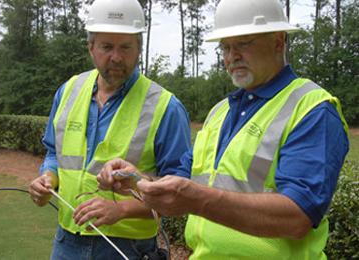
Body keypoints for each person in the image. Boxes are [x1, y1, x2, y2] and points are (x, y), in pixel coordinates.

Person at [98, 0, 349, 259]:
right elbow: (180, 185)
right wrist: (137, 181)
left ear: (278, 42)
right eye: (225, 47)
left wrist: (198, 200)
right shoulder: (220, 112)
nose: (232, 56)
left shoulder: (312, 108)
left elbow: (298, 216)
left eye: (243, 43)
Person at [28, 0, 191, 259]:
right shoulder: (68, 90)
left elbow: (179, 195)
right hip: (66, 241)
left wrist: (121, 210)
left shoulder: (166, 107)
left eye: (125, 47)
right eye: (106, 46)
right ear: (91, 48)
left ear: (139, 48)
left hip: (128, 246)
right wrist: (49, 179)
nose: (116, 57)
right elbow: (53, 155)